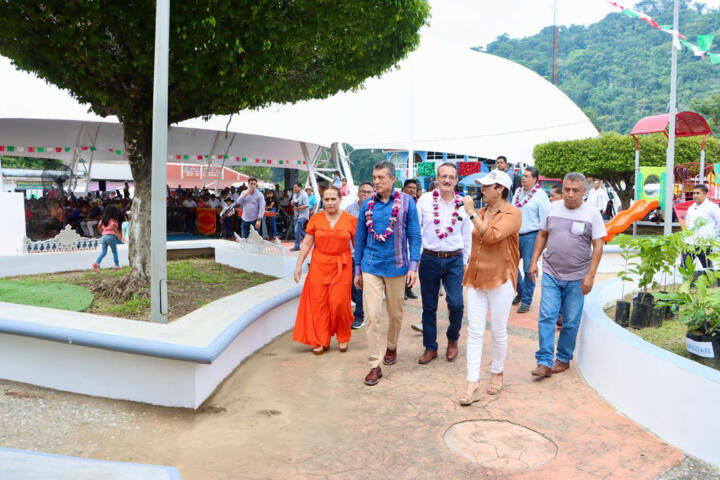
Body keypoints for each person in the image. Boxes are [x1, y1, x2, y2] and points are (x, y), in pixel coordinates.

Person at [529, 172, 606, 377]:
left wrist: (590, 275)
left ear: (583, 192)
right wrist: (533, 261)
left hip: (577, 277)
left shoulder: (592, 214)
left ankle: (563, 358)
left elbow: (598, 246)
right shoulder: (552, 208)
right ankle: (544, 361)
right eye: (566, 190)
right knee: (547, 316)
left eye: (575, 191)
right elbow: (542, 235)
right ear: (562, 189)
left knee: (571, 321)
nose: (570, 194)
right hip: (551, 273)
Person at [354, 161, 421, 386]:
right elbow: (360, 239)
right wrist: (358, 270)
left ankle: (392, 346)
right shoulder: (367, 206)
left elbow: (415, 236)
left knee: (395, 313)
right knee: (372, 315)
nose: (376, 182)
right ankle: (375, 364)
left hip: (397, 266)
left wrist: (414, 267)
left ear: (393, 179)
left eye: (381, 177)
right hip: (371, 265)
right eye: (374, 177)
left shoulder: (406, 203)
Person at [457, 170, 520, 404]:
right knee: (474, 330)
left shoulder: (513, 213)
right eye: (482, 186)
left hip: (501, 277)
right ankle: (472, 382)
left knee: (498, 330)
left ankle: (497, 370)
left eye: (487, 186)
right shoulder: (482, 212)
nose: (482, 190)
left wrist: (471, 213)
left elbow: (492, 236)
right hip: (476, 277)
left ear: (500, 189)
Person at [415, 163, 472, 365]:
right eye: (443, 176)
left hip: (454, 259)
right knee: (429, 306)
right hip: (429, 258)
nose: (447, 180)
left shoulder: (464, 204)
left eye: (451, 177)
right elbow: (415, 230)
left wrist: (465, 261)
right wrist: (415, 259)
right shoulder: (424, 200)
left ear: (456, 180)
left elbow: (467, 236)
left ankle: (453, 338)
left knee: (456, 303)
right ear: (437, 178)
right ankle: (430, 347)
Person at [292, 186, 358, 354]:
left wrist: (361, 269)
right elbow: (307, 243)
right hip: (319, 266)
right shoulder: (316, 218)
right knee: (319, 304)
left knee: (339, 303)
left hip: (342, 265)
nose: (330, 203)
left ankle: (343, 336)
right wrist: (299, 265)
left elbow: (358, 245)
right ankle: (321, 340)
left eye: (333, 199)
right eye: (326, 199)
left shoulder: (350, 219)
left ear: (340, 199)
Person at [512, 166, 550, 314]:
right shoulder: (518, 192)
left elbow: (545, 220)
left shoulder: (540, 195)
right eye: (523, 175)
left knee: (529, 268)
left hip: (531, 236)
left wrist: (543, 243)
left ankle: (527, 300)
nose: (523, 178)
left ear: (535, 179)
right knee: (510, 265)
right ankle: (520, 291)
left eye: (527, 176)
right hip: (515, 234)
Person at [345, 182, 375, 329]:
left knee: (360, 286)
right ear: (358, 193)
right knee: (350, 286)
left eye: (369, 192)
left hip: (367, 255)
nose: (365, 195)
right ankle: (363, 306)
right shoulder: (349, 210)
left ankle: (360, 315)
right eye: (363, 192)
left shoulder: (376, 209)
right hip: (350, 254)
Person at [682, 184, 720, 270]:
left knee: (708, 267)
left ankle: (710, 283)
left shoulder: (712, 207)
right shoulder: (691, 208)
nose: (695, 195)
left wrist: (714, 235)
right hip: (690, 242)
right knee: (684, 266)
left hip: (705, 243)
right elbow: (687, 224)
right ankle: (687, 282)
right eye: (693, 193)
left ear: (705, 194)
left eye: (698, 193)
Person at [403, 178, 420, 300]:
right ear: (404, 188)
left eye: (414, 188)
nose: (412, 190)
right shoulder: (399, 201)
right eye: (410, 187)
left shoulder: (418, 201)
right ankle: (402, 290)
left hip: (415, 237)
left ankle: (408, 289)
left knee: (412, 264)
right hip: (403, 237)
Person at [92, 206, 122, 272]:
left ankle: (97, 263)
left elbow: (99, 226)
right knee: (114, 252)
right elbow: (112, 226)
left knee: (103, 252)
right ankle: (117, 265)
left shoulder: (103, 219)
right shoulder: (112, 219)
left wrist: (102, 232)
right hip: (111, 236)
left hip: (104, 236)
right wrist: (118, 234)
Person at [289, 182, 310, 251]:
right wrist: (292, 203)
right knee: (297, 230)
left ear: (300, 187)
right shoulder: (295, 194)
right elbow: (293, 201)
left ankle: (297, 246)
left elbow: (307, 205)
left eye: (295, 187)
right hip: (296, 215)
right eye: (294, 187)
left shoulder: (304, 194)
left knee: (296, 229)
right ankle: (309, 238)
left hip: (303, 215)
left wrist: (298, 208)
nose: (294, 188)